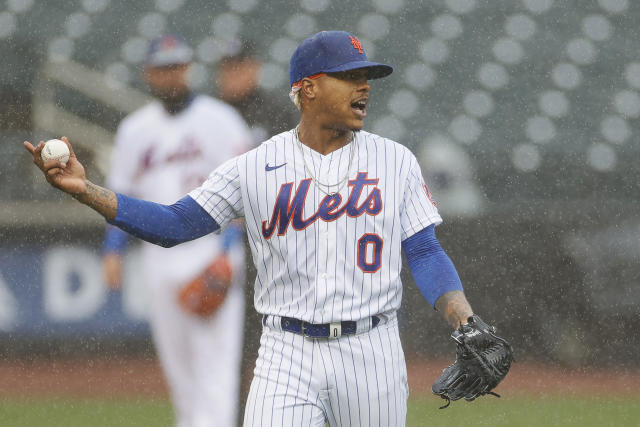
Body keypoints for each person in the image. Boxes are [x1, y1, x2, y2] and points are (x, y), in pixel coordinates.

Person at [26, 30, 484, 426]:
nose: (364, 86)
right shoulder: (255, 166)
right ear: (307, 88)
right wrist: (86, 190)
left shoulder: (395, 160)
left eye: (367, 77)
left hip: (372, 348)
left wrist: (464, 320)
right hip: (286, 351)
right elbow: (175, 224)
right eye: (349, 76)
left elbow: (424, 252)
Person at [100, 34, 251, 427]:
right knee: (180, 373)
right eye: (163, 68)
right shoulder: (135, 129)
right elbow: (121, 194)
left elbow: (244, 193)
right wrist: (112, 249)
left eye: (177, 67)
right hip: (157, 259)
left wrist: (228, 253)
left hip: (210, 252)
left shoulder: (221, 120)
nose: (171, 76)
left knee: (216, 371)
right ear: (149, 73)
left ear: (188, 69)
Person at [215, 38, 298, 144]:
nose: (233, 74)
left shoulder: (276, 113)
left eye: (239, 67)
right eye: (227, 67)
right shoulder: (208, 111)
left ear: (256, 67)